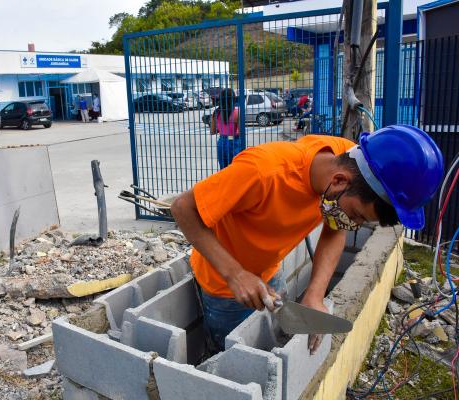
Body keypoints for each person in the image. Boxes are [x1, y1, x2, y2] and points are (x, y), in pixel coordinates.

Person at [170, 125, 443, 353]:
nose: (353, 224)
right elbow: (182, 207)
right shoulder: (264, 171)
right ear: (338, 181)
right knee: (230, 357)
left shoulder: (348, 162)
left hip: (268, 274)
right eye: (357, 214)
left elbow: (336, 225)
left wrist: (314, 294)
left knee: (269, 347)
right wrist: (235, 274)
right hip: (223, 284)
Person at [210, 88, 241, 169]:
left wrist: (222, 128)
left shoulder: (216, 113)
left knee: (223, 169)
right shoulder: (237, 113)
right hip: (234, 143)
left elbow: (212, 131)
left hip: (222, 142)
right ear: (233, 99)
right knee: (235, 169)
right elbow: (241, 132)